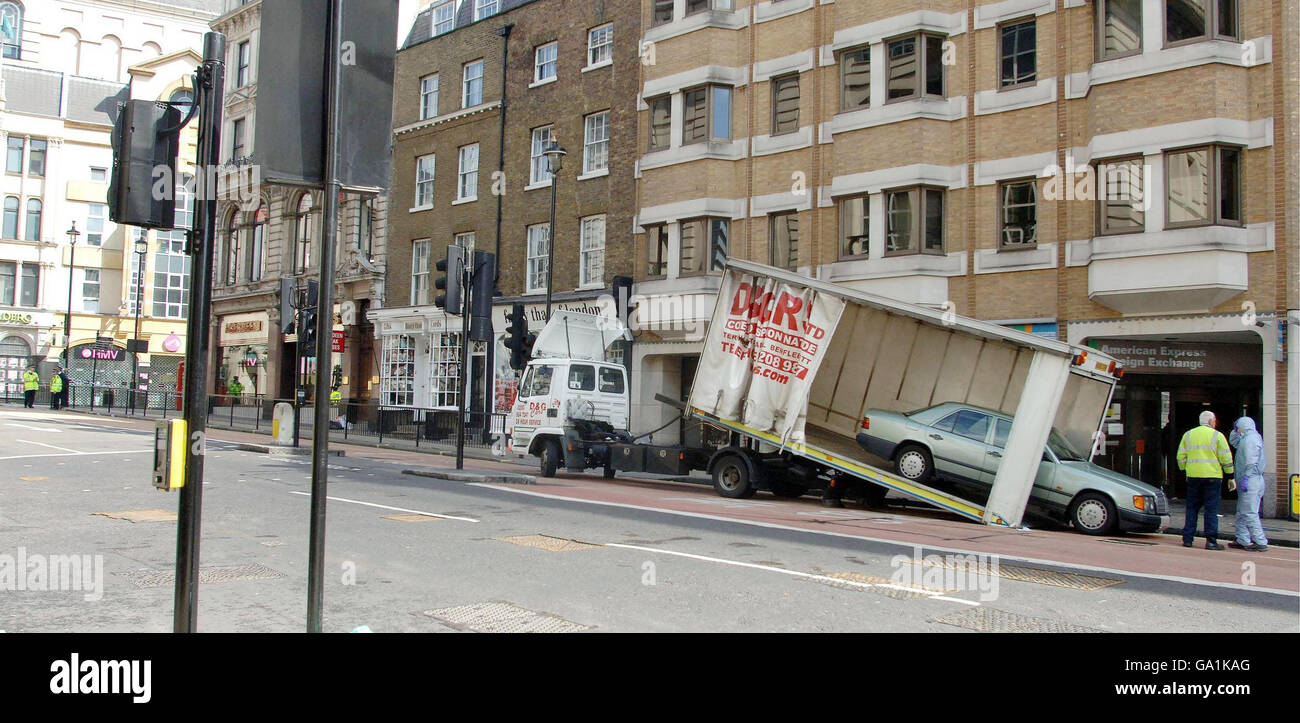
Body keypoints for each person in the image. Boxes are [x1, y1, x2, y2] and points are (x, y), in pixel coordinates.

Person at [1176, 411, 1235, 550]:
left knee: (1192, 508)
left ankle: (1188, 539)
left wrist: (1185, 470)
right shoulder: (1217, 436)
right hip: (1212, 477)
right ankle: (1211, 541)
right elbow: (1226, 458)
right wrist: (1230, 476)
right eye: (1214, 420)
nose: (1215, 423)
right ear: (1210, 421)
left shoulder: (1188, 435)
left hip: (1193, 477)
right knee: (1211, 510)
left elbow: (1180, 456)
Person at [1228, 417, 1268, 551]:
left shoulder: (1251, 439)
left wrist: (1247, 477)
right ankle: (1242, 538)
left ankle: (1260, 540)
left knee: (1249, 512)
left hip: (1250, 479)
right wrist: (1234, 430)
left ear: (1243, 426)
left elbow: (1251, 461)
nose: (1237, 429)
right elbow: (1234, 442)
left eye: (1238, 427)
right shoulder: (1247, 438)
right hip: (1249, 479)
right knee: (1242, 512)